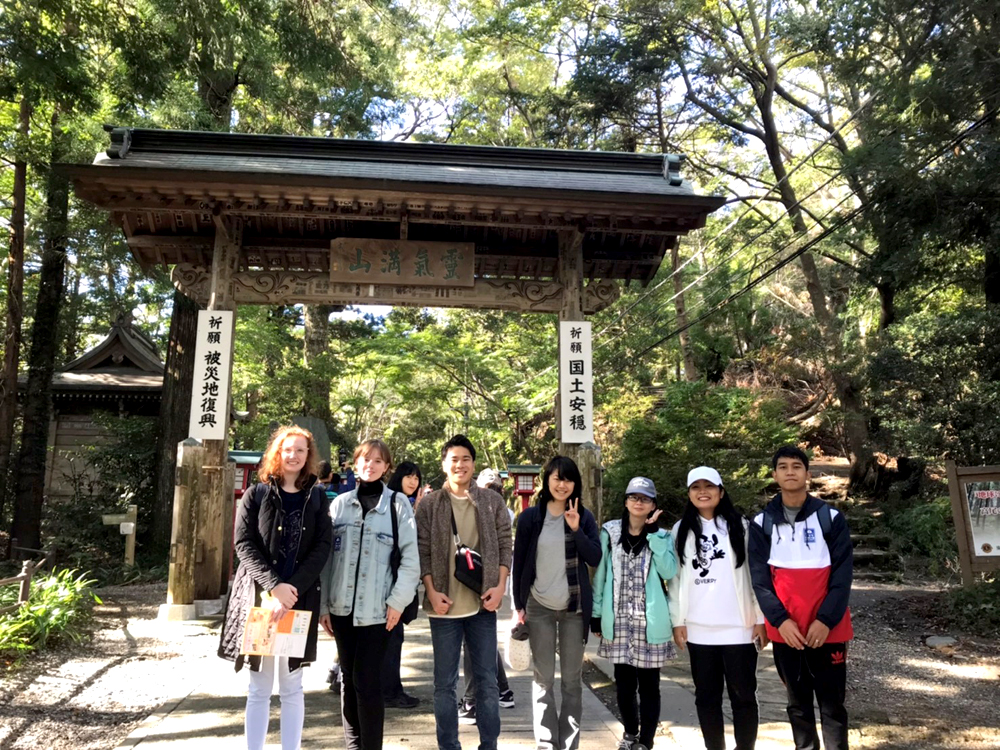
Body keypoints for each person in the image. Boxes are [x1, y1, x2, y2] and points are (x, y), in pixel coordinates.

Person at [217, 425, 333, 750]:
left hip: (299, 600)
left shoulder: (317, 496)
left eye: (300, 450)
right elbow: (243, 543)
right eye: (288, 449)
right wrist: (274, 586)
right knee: (259, 685)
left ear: (308, 455)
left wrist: (292, 587)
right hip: (260, 601)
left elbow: (323, 546)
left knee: (292, 684)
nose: (293, 455)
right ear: (277, 454)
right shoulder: (257, 494)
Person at [749, 446, 853, 750]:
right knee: (798, 705)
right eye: (783, 467)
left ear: (808, 474)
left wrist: (825, 621)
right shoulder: (761, 523)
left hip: (828, 630)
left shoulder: (830, 518)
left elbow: (842, 575)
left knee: (833, 706)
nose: (790, 471)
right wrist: (780, 622)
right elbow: (760, 579)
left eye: (797, 466)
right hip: (787, 633)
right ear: (774, 475)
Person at [319, 439, 420, 750]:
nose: (371, 465)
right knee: (348, 680)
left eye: (378, 461)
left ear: (386, 467)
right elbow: (327, 560)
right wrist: (324, 604)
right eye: (365, 459)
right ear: (356, 463)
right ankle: (354, 745)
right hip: (341, 607)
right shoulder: (339, 504)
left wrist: (397, 603)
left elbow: (410, 560)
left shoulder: (397, 505)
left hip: (379, 610)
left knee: (368, 681)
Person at [415, 435, 512, 750]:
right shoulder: (430, 504)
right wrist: (431, 591)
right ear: (444, 464)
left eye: (465, 459)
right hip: (443, 604)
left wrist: (500, 587)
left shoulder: (491, 501)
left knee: (487, 683)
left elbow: (504, 544)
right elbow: (423, 551)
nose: (460, 465)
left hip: (483, 604)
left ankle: (489, 745)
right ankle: (449, 746)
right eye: (453, 459)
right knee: (444, 685)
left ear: (473, 463)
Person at [669, 467, 767, 750]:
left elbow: (755, 574)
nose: (703, 491)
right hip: (699, 629)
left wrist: (760, 618)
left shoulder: (741, 526)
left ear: (721, 491)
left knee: (744, 695)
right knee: (706, 697)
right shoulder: (681, 529)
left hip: (740, 627)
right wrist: (678, 620)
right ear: (689, 494)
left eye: (709, 486)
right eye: (695, 486)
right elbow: (675, 580)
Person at [512, 456, 601, 750]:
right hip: (538, 606)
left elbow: (595, 558)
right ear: (546, 480)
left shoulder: (583, 516)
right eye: (557, 478)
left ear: (574, 484)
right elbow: (520, 562)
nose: (562, 484)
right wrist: (518, 605)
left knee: (572, 683)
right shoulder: (530, 518)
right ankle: (548, 744)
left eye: (568, 479)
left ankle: (570, 743)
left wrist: (576, 530)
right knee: (543, 681)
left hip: (574, 608)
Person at [592, 476, 678, 750]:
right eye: (634, 497)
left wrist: (654, 535)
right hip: (618, 620)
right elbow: (602, 575)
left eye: (645, 498)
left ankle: (647, 741)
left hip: (648, 620)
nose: (638, 503)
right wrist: (596, 613)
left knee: (650, 686)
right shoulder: (611, 532)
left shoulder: (663, 536)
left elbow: (669, 571)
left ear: (653, 504)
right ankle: (630, 733)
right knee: (624, 683)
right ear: (626, 501)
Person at [458, 468, 516, 725]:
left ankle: (472, 699)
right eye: (487, 489)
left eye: (496, 490)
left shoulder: (501, 511)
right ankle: (502, 690)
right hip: (473, 582)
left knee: (474, 644)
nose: (492, 494)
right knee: (481, 642)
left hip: (484, 584)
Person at [380, 461, 425, 709]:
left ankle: (391, 689)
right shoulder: (395, 502)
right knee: (392, 637)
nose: (413, 481)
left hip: (402, 579)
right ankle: (390, 691)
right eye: (408, 476)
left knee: (393, 637)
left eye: (416, 478)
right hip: (392, 581)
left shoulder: (404, 503)